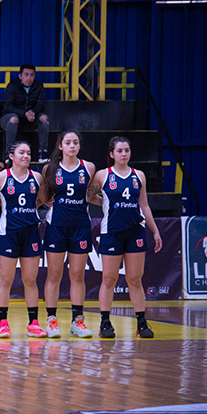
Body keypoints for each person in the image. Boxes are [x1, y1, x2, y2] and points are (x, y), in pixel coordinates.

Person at [87, 136, 162, 338]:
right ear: (111, 154)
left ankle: (142, 323)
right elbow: (88, 196)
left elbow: (144, 205)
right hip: (111, 231)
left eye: (127, 150)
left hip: (135, 230)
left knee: (135, 280)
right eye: (119, 150)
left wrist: (155, 230)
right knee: (109, 279)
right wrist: (104, 202)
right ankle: (105, 322)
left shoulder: (139, 175)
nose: (123, 154)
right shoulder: (103, 175)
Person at [0, 141, 47, 338]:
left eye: (29, 153)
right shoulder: (0, 178)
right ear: (11, 156)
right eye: (22, 153)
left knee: (30, 280)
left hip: (30, 232)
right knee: (6, 279)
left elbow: (43, 199)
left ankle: (34, 323)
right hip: (9, 233)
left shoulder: (36, 177)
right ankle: (3, 323)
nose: (26, 156)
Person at [40, 130, 95, 338]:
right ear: (60, 146)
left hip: (80, 225)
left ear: (79, 146)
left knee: (77, 275)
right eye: (68, 142)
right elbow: (44, 195)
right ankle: (52, 320)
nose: (72, 146)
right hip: (57, 226)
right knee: (54, 275)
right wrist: (45, 203)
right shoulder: (50, 169)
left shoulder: (88, 168)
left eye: (76, 142)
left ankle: (77, 321)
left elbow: (92, 195)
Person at [1, 64, 50, 160]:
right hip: (12, 118)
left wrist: (32, 113)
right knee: (13, 119)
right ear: (20, 76)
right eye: (26, 75)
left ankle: (43, 152)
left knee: (44, 118)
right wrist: (24, 113)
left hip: (32, 119)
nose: (29, 78)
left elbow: (41, 104)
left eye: (32, 75)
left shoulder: (38, 86)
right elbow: (8, 106)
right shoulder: (12, 86)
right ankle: (9, 152)